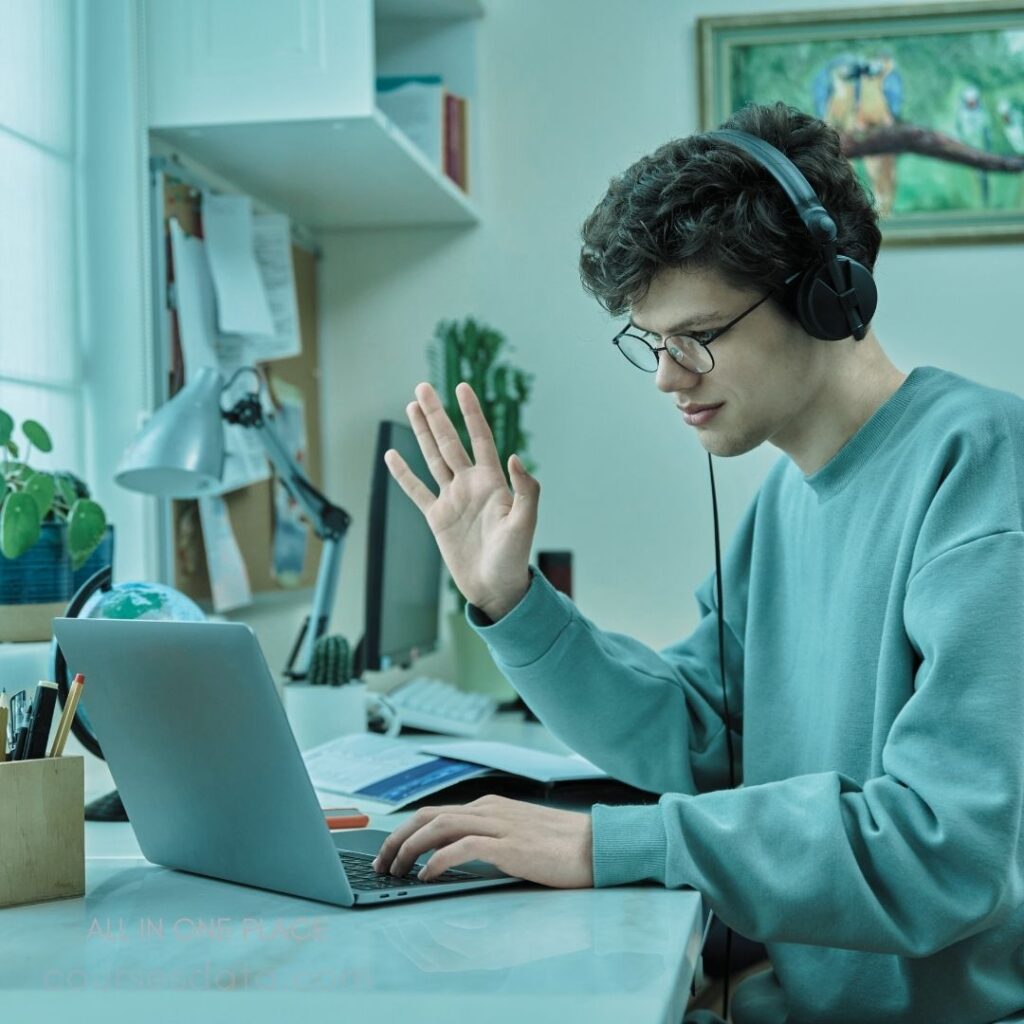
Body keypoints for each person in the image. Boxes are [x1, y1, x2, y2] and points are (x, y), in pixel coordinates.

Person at [371, 102, 1024, 1024]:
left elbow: (940, 850)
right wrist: (511, 601)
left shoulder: (983, 468)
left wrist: (607, 846)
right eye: (652, 342)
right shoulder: (786, 503)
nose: (668, 377)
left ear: (824, 292)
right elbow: (699, 736)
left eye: (697, 336)